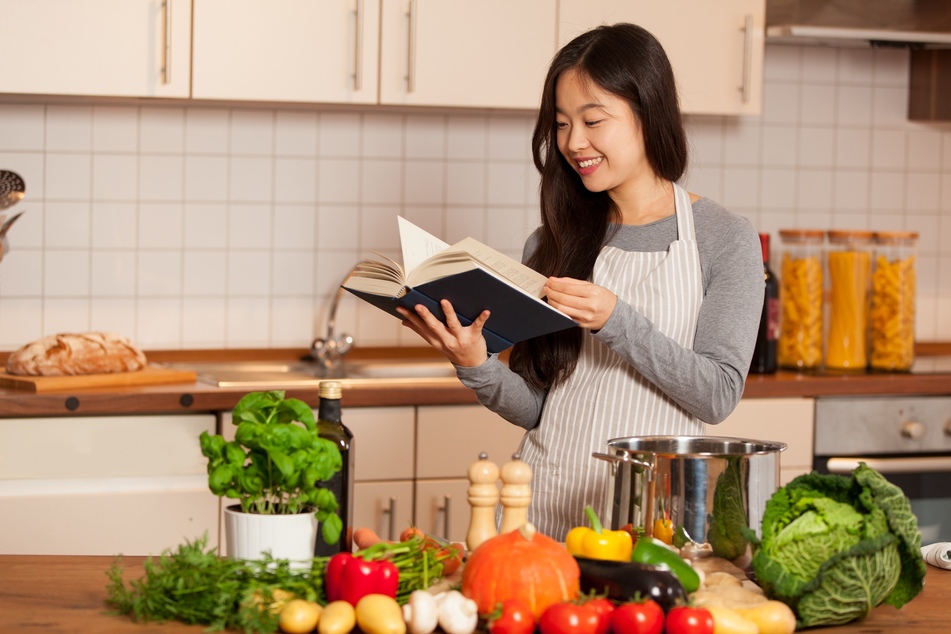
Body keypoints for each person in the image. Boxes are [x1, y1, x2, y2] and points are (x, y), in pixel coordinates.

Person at [396, 23, 764, 541]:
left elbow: (718, 396)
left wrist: (617, 321)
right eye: (562, 123)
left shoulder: (725, 238)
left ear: (648, 112)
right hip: (543, 508)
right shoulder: (551, 243)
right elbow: (539, 407)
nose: (573, 142)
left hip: (653, 520)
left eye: (593, 120)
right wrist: (474, 364)